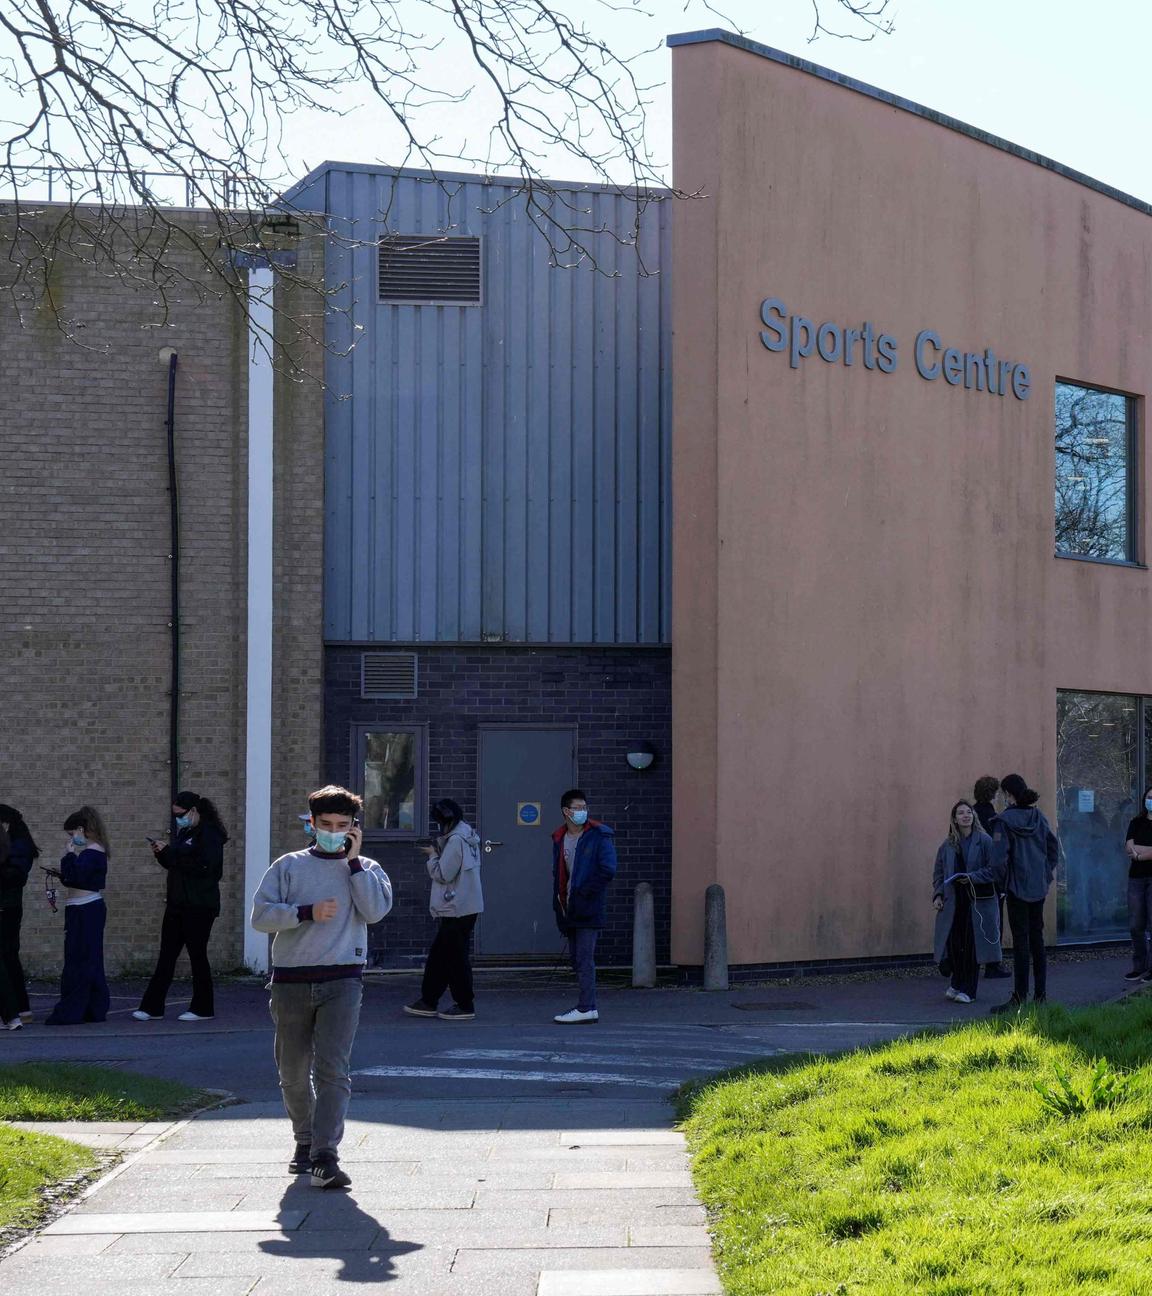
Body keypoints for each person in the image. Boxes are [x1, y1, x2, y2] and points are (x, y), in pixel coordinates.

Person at [251, 785, 392, 1191]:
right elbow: (261, 917)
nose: (333, 831)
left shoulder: (366, 868)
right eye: (325, 825)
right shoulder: (288, 866)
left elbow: (376, 911)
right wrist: (305, 913)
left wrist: (353, 866)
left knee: (333, 1069)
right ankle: (306, 1140)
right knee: (292, 1072)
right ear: (311, 824)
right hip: (292, 979)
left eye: (342, 826)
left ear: (354, 829)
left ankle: (326, 1155)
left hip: (343, 979)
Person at [133, 791, 228, 1023]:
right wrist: (162, 854)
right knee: (167, 955)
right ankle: (152, 1006)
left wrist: (171, 854)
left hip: (199, 905)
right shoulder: (185, 832)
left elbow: (205, 868)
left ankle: (203, 1007)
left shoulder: (209, 834)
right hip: (178, 903)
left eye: (181, 814)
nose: (178, 819)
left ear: (194, 811)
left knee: (197, 955)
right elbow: (175, 864)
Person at [974, 773, 1059, 1014]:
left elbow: (999, 860)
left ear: (1008, 795)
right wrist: (1044, 874)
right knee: (1037, 941)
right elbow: (1053, 848)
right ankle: (1041, 996)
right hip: (1037, 887)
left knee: (1021, 943)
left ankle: (1019, 997)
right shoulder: (1038, 817)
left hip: (1016, 889)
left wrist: (1002, 885)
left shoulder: (1003, 822)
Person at [404, 798, 484, 1022]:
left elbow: (442, 874)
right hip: (466, 905)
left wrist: (432, 855)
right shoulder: (467, 836)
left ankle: (464, 1004)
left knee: (453, 958)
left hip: (455, 907)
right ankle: (428, 1001)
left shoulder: (456, 841)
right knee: (442, 956)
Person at [551, 788, 617, 1025]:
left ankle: (587, 1007)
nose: (582, 812)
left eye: (584, 808)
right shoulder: (560, 838)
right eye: (577, 808)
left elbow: (608, 869)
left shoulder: (598, 835)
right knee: (576, 958)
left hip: (588, 906)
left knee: (584, 958)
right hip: (569, 907)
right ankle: (585, 1005)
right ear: (565, 812)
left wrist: (585, 892)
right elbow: (560, 874)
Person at [44, 806, 111, 1026]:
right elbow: (72, 878)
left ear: (81, 830)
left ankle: (77, 1009)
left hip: (86, 908)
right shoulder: (90, 852)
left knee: (82, 960)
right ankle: (90, 1007)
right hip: (80, 907)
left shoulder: (92, 852)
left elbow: (75, 876)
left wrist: (69, 855)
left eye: (72, 834)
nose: (72, 839)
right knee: (84, 958)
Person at [932, 801, 1003, 1004]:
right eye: (961, 813)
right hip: (954, 902)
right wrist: (937, 895)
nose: (966, 816)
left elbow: (995, 870)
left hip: (977, 901)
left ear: (974, 816)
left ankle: (969, 990)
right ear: (954, 819)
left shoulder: (985, 841)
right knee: (955, 944)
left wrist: (972, 876)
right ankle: (956, 982)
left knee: (972, 944)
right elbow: (938, 873)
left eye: (968, 812)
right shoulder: (947, 845)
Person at [0, 805, 38, 1027]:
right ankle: (19, 1008)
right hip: (10, 905)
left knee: (7, 957)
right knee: (9, 957)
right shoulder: (17, 844)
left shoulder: (16, 845)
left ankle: (16, 1009)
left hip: (8, 906)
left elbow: (15, 875)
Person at [971, 777, 1011, 980]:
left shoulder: (970, 813)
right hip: (991, 877)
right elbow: (998, 852)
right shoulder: (994, 819)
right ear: (993, 794)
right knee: (995, 921)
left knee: (974, 919)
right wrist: (1002, 881)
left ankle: (972, 962)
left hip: (972, 875)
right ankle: (993, 964)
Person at [1122, 786, 1152, 982]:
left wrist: (1138, 855)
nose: (1151, 800)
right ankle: (1139, 966)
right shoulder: (1136, 822)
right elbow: (1128, 847)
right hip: (1136, 879)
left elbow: (1135, 851)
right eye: (1149, 797)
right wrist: (1146, 851)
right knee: (1135, 925)